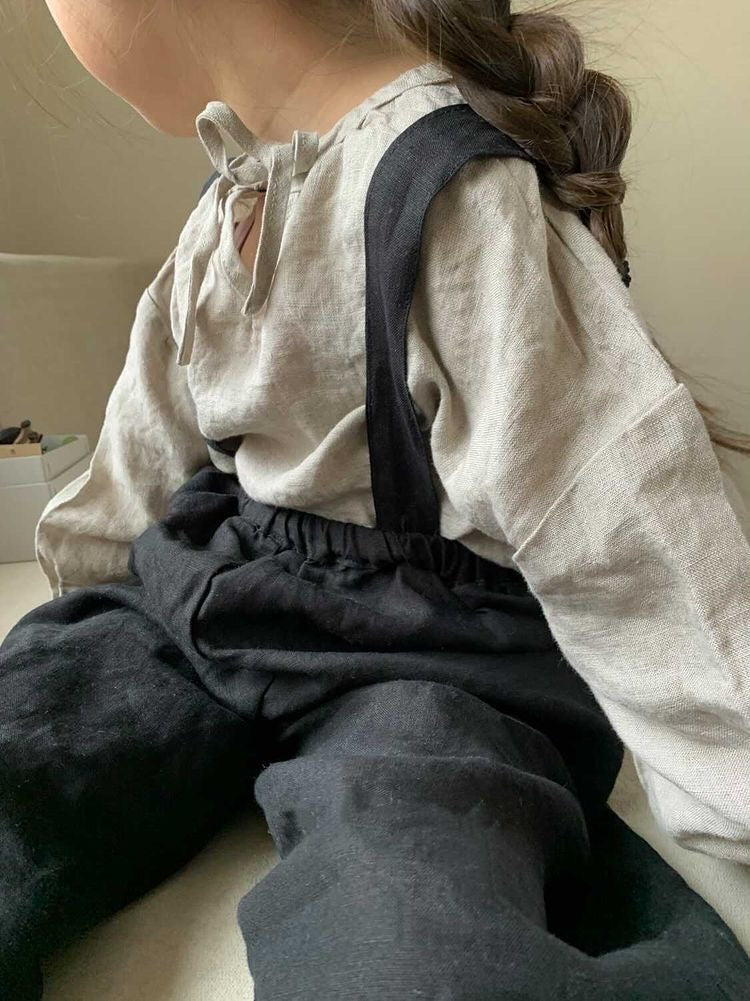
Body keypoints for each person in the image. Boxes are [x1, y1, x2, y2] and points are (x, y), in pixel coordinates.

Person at [1, 1, 749, 998]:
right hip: (215, 598)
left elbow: (614, 515)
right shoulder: (231, 202)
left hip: (426, 652)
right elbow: (146, 448)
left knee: (406, 933)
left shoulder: (455, 193)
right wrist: (81, 625)